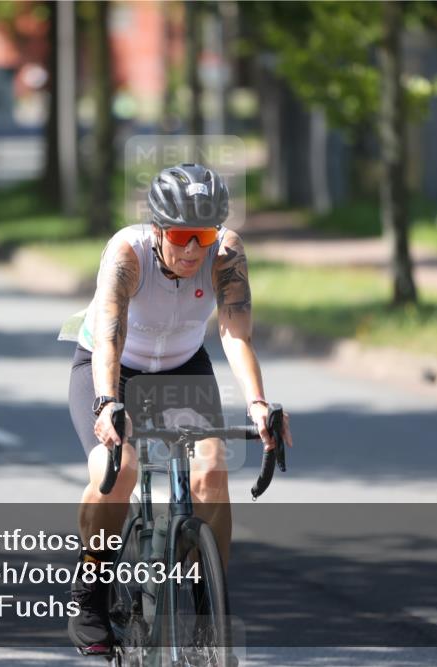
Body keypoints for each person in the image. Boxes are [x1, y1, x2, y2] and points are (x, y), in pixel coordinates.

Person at [66, 163, 294, 654]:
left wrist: (257, 402)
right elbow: (109, 335)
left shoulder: (225, 252)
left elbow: (235, 333)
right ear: (158, 229)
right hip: (113, 366)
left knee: (212, 468)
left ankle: (209, 601)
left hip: (181, 367)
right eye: (183, 235)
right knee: (117, 468)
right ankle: (91, 594)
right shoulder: (127, 253)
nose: (194, 248)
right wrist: (107, 403)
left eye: (204, 234)